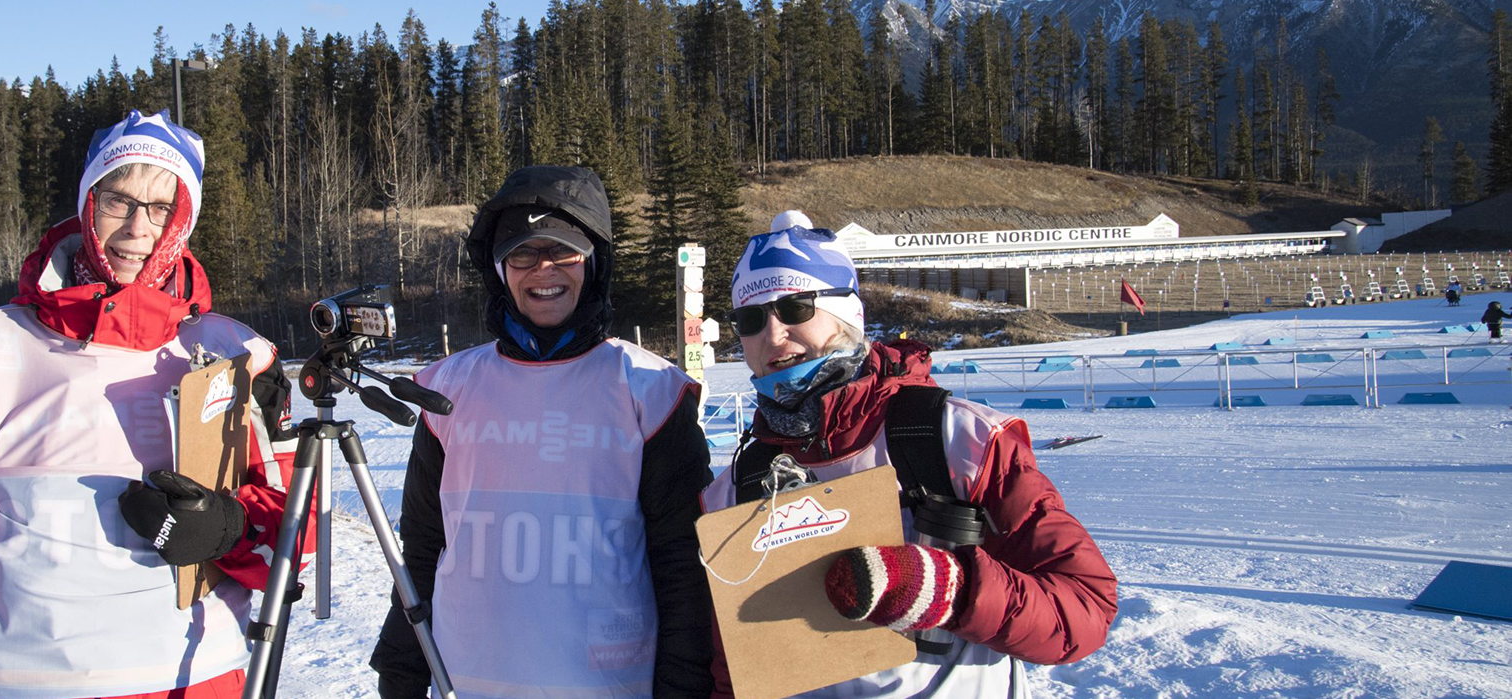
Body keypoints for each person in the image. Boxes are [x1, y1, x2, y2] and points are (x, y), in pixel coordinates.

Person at [0, 111, 308, 699]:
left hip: (198, 680)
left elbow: (298, 536)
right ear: (87, 202)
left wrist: (229, 529)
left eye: (161, 208)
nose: (136, 230)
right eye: (118, 201)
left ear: (185, 218)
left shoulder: (237, 354)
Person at [702, 220, 1118, 698]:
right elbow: (731, 668)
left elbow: (1084, 611)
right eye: (751, 319)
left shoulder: (961, 440)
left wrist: (950, 591)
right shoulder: (737, 485)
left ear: (846, 315)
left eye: (795, 307)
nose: (773, 335)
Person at [368, 165, 715, 699]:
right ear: (500, 269)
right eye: (523, 253)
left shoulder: (650, 391)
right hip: (466, 685)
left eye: (563, 250)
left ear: (594, 261)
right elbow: (420, 552)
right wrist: (401, 674)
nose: (543, 268)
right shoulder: (447, 390)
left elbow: (683, 567)